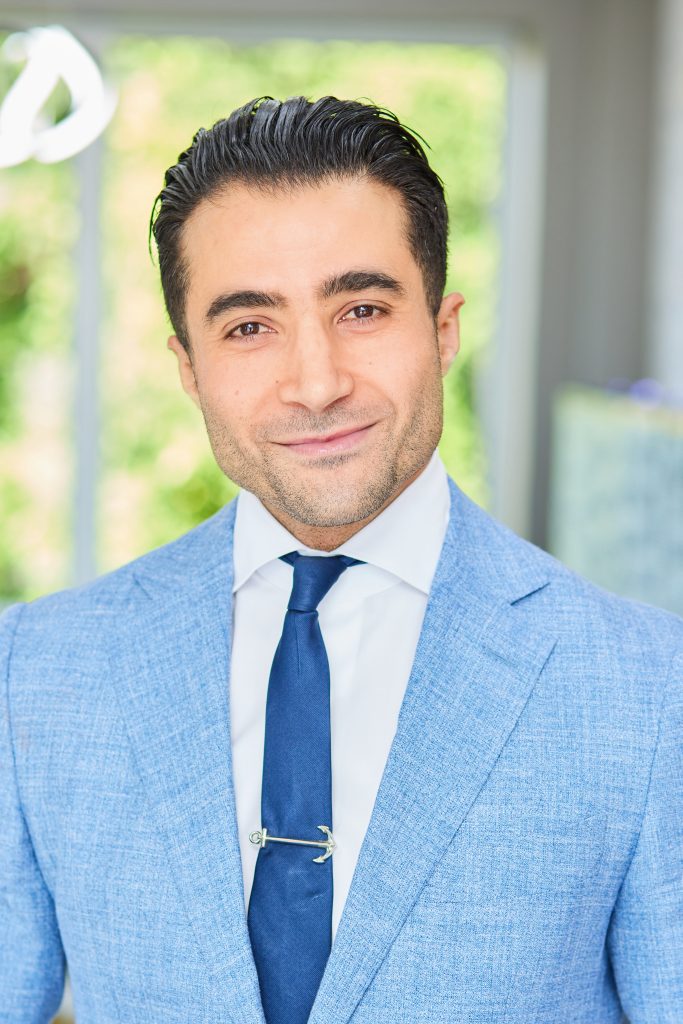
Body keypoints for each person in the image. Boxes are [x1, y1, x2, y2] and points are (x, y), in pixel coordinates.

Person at [0, 95, 681, 1024]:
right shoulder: (36, 670)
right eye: (249, 326)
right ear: (188, 367)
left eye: (361, 308)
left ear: (441, 332)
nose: (316, 383)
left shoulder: (648, 692)